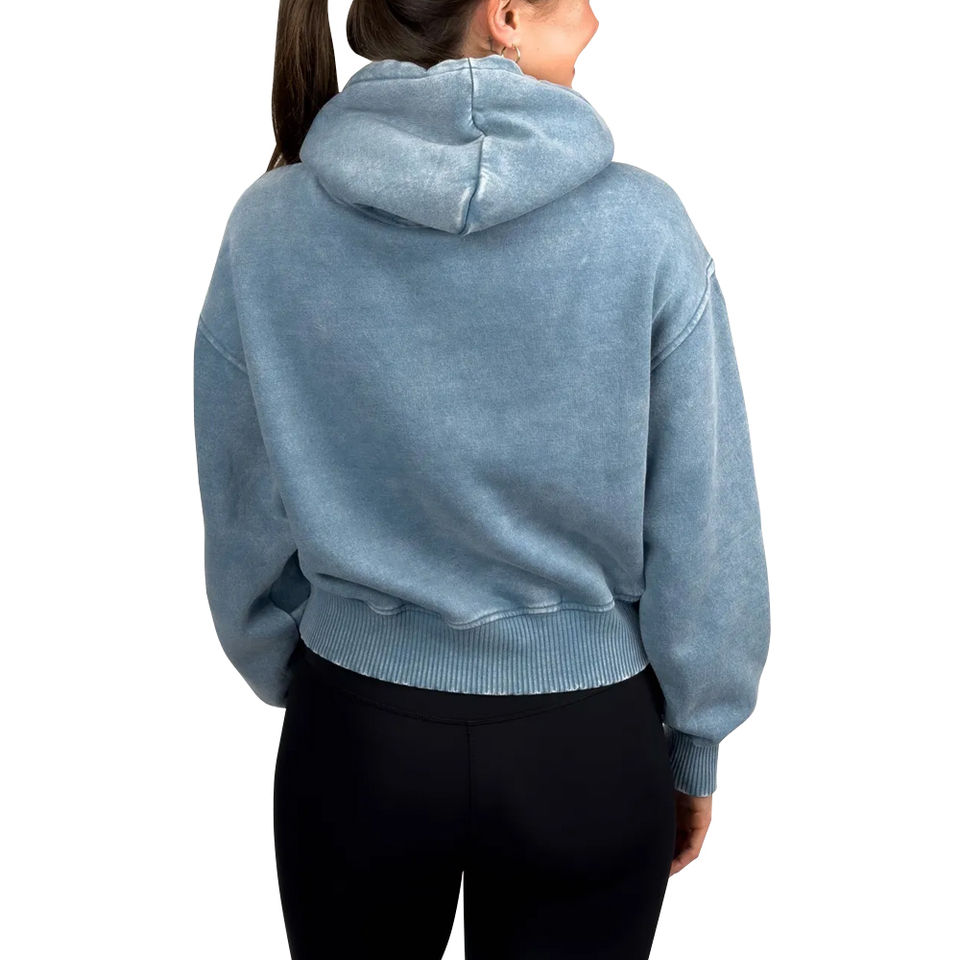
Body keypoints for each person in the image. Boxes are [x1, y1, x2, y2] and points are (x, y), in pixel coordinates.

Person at [191, 1, 771, 957]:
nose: (595, 21)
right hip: (588, 751)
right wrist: (696, 735)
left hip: (357, 738)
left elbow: (239, 499)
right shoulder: (645, 227)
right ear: (504, 16)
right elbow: (704, 516)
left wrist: (315, 666)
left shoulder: (269, 226)